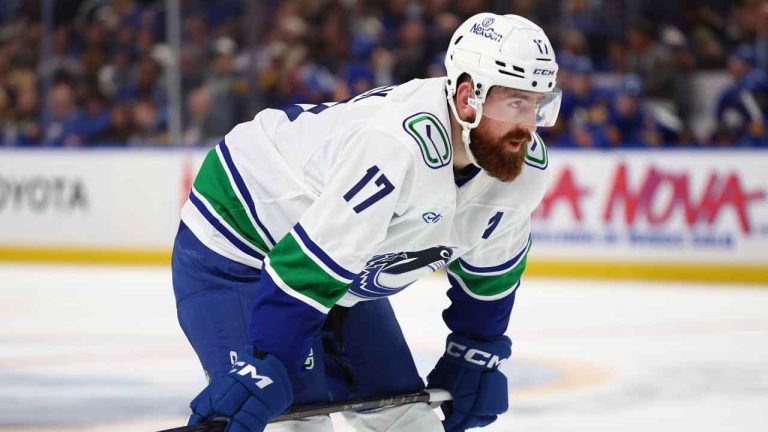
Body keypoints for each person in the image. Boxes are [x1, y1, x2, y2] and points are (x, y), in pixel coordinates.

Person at [172, 13, 560, 432]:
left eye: (539, 105)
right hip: (241, 240)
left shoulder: (524, 168)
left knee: (407, 422)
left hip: (337, 266)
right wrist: (269, 360)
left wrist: (475, 350)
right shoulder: (395, 146)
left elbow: (492, 275)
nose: (528, 126)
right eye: (516, 103)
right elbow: (307, 269)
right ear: (468, 97)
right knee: (297, 424)